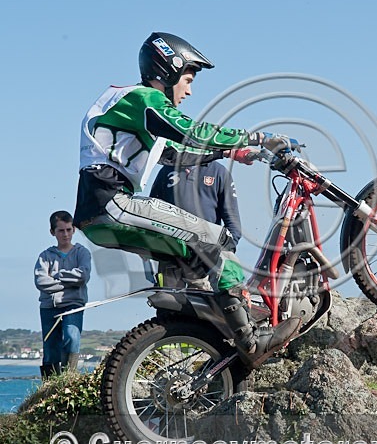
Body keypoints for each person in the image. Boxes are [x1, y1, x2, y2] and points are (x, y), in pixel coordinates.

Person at [73, 31, 300, 367]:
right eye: (189, 79)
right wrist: (259, 137)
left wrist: (232, 152)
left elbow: (176, 154)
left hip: (99, 214)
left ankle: (206, 329)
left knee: (194, 253)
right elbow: (189, 131)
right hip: (112, 203)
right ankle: (250, 340)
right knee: (216, 238)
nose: (190, 90)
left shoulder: (135, 110)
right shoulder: (144, 99)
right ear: (170, 69)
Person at [149, 156, 241, 288]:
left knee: (204, 304)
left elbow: (233, 224)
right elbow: (151, 211)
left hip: (205, 257)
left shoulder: (219, 172)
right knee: (169, 303)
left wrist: (221, 255)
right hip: (171, 254)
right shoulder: (166, 170)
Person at [34, 211, 91, 377]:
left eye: (68, 229)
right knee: (50, 349)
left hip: (73, 305)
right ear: (52, 232)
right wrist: (68, 283)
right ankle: (50, 386)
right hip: (48, 307)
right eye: (61, 230)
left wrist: (57, 276)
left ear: (73, 229)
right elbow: (41, 282)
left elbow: (83, 276)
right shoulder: (45, 256)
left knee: (72, 338)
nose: (65, 234)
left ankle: (68, 378)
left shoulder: (82, 253)